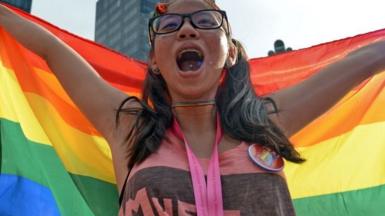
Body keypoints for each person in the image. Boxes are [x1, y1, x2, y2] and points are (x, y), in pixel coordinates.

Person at [0, 0, 384, 215]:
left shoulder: (265, 121)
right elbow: (51, 50)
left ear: (230, 52)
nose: (187, 29)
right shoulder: (129, 128)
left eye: (205, 20)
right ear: (153, 60)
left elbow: (362, 62)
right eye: (169, 25)